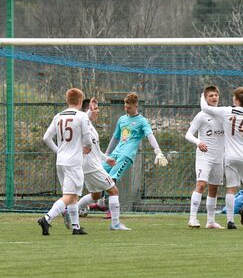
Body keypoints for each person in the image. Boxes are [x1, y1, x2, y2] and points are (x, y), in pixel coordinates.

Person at [90, 93, 168, 217]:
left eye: (129, 107)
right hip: (115, 153)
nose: (126, 109)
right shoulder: (122, 119)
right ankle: (100, 203)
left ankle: (111, 210)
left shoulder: (142, 121)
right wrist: (107, 154)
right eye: (125, 106)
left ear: (136, 105)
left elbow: (150, 135)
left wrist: (157, 151)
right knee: (100, 174)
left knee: (111, 179)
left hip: (126, 156)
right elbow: (115, 138)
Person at [200, 87, 243, 229]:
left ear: (237, 100)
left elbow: (204, 107)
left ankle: (230, 221)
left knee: (231, 188)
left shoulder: (226, 111)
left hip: (229, 157)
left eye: (234, 96)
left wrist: (203, 94)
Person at [39, 88, 93, 235]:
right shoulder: (82, 116)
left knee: (73, 194)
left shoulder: (59, 116)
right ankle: (47, 218)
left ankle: (76, 227)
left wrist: (59, 151)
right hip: (74, 162)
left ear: (67, 100)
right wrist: (88, 146)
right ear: (81, 102)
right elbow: (88, 140)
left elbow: (46, 138)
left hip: (61, 161)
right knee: (69, 196)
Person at [74, 98, 131, 230]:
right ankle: (115, 224)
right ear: (88, 110)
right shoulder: (84, 124)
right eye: (96, 109)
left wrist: (107, 159)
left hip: (89, 166)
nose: (98, 111)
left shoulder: (89, 125)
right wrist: (90, 110)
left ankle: (71, 210)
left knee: (96, 195)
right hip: (92, 167)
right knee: (113, 190)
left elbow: (95, 150)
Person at [185, 86, 225, 229]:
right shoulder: (201, 115)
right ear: (205, 98)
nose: (214, 98)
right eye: (211, 96)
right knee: (201, 185)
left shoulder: (223, 114)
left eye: (216, 95)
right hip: (204, 156)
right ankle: (193, 218)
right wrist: (198, 142)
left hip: (219, 157)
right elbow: (188, 134)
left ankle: (210, 221)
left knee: (214, 189)